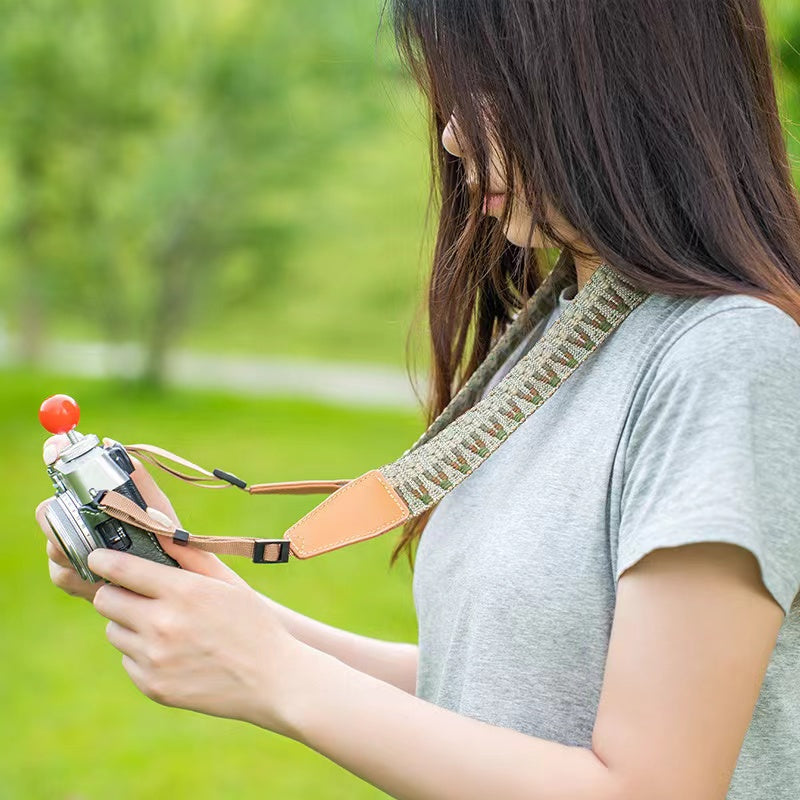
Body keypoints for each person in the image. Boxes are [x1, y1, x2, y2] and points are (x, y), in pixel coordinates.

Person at [36, 1, 800, 798]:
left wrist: (277, 676)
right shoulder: (565, 329)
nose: (454, 136)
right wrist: (219, 607)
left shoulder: (726, 356)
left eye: (486, 90)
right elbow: (499, 701)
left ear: (618, 77)